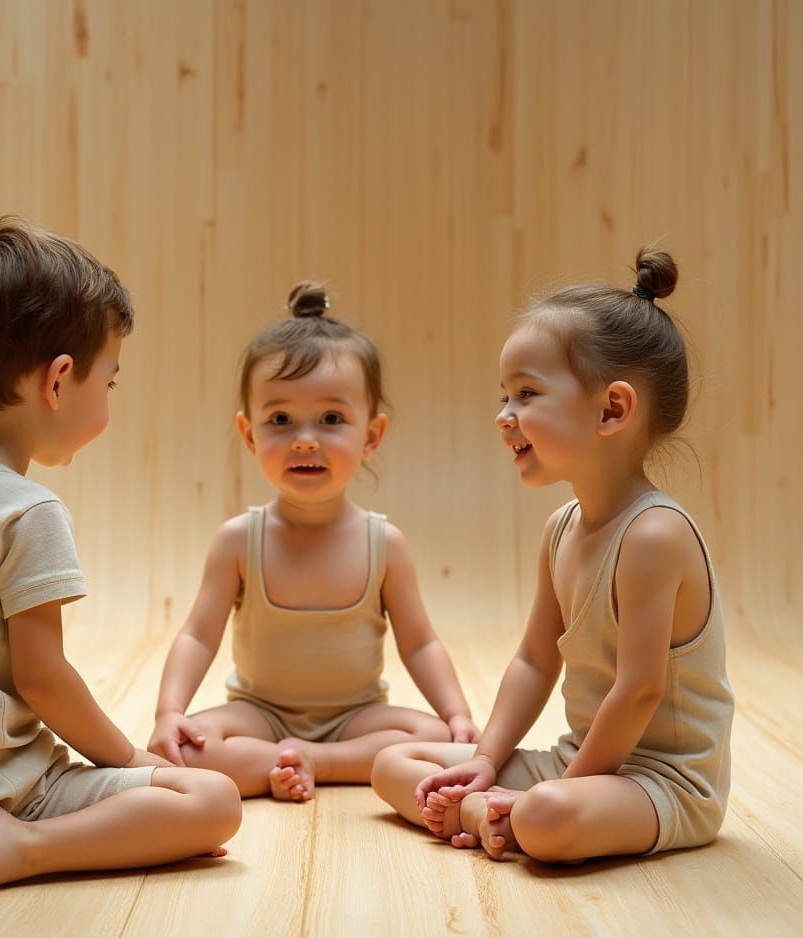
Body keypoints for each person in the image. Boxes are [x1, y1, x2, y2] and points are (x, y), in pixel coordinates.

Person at [0, 216, 242, 896]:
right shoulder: (25, 511)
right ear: (58, 382)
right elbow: (44, 680)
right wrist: (134, 761)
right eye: (108, 382)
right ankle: (23, 846)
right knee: (213, 802)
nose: (109, 398)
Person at [372, 248, 734, 862]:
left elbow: (639, 691)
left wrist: (562, 790)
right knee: (393, 763)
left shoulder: (654, 536)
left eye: (525, 394)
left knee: (546, 817)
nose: (502, 417)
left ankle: (507, 819)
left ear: (611, 409)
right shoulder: (561, 529)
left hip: (659, 785)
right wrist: (485, 761)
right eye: (504, 395)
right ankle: (490, 815)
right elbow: (535, 662)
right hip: (581, 760)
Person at [148, 283, 478, 802]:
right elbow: (197, 636)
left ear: (372, 435)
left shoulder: (384, 544)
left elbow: (420, 643)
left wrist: (457, 713)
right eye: (280, 420)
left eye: (331, 419)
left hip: (357, 717)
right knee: (182, 747)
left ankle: (308, 762)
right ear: (249, 433)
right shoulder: (238, 541)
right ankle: (289, 760)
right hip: (258, 713)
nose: (305, 439)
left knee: (433, 738)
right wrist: (169, 712)